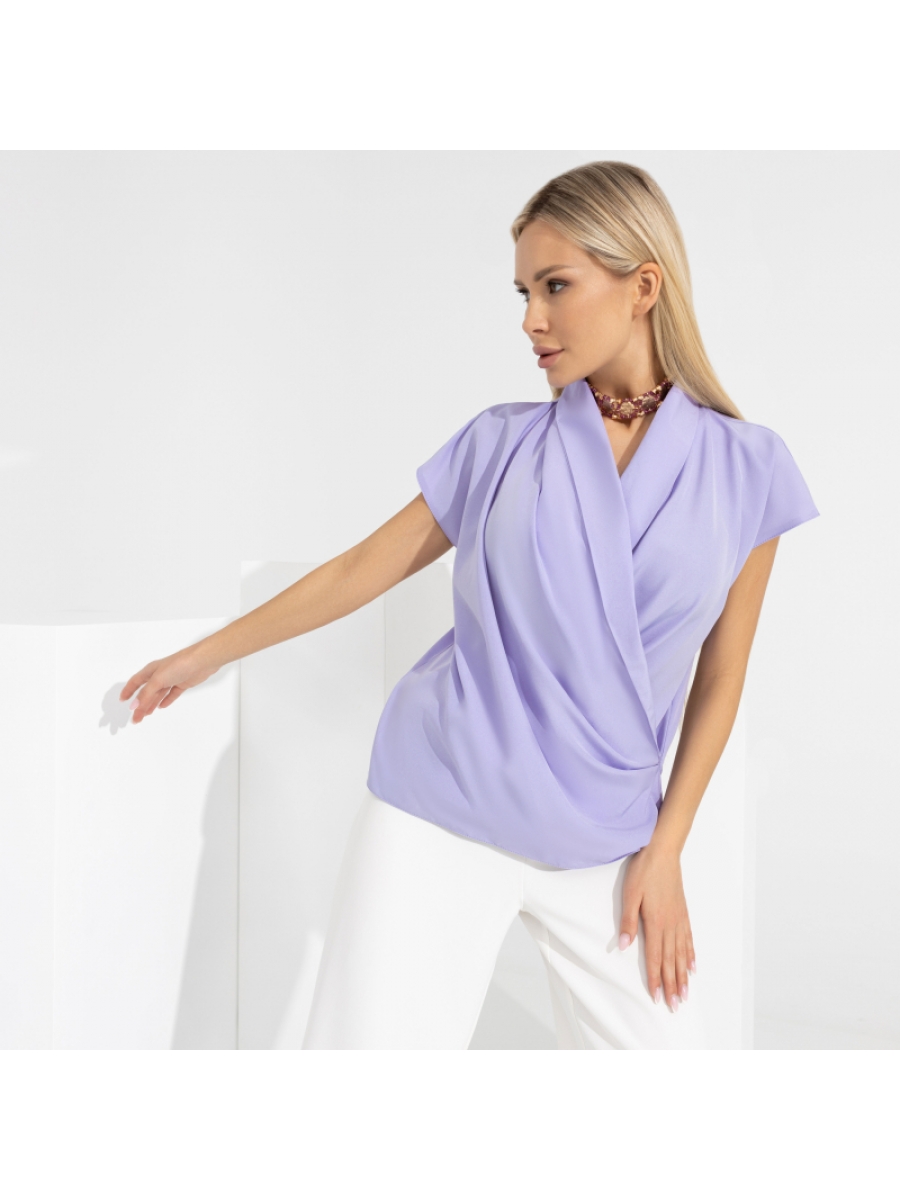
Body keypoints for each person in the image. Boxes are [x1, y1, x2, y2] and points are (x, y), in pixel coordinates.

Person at [120, 161, 819, 1050]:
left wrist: (668, 847)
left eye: (555, 286)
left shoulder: (749, 469)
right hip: (443, 805)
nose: (531, 319)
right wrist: (208, 652)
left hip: (609, 833)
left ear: (643, 286)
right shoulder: (499, 444)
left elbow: (723, 674)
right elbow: (362, 569)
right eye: (524, 293)